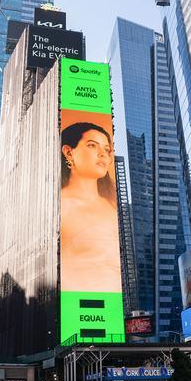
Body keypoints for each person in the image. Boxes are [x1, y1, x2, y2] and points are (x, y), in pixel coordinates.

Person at [59, 122, 122, 293]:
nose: (102, 154)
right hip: (74, 304)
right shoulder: (60, 206)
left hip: (112, 306)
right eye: (92, 145)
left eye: (107, 149)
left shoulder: (112, 207)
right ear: (68, 152)